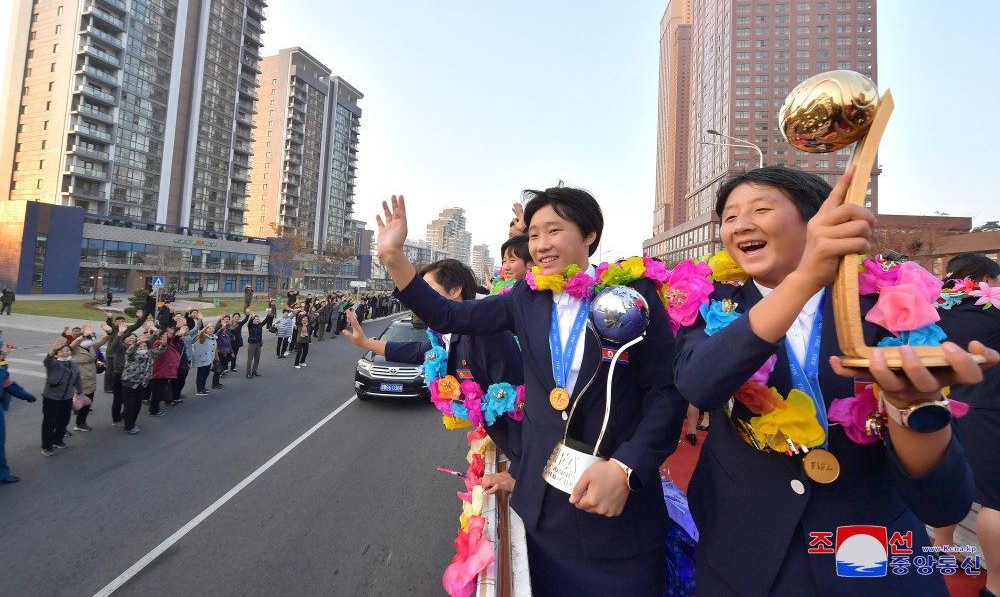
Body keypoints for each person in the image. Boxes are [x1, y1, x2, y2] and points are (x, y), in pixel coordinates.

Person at [673, 166, 994, 595]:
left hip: (871, 555)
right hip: (742, 555)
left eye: (762, 209)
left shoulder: (887, 305)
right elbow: (698, 383)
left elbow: (943, 503)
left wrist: (914, 409)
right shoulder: (711, 302)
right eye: (729, 218)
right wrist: (805, 279)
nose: (741, 225)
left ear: (818, 221)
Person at [375, 186, 685, 596]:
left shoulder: (632, 296)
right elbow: (449, 313)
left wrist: (626, 468)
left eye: (553, 231)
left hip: (618, 508)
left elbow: (665, 392)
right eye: (534, 235)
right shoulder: (524, 298)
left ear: (590, 234)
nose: (540, 245)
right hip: (545, 511)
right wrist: (394, 259)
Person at [345, 259, 524, 477]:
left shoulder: (486, 334)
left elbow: (517, 405)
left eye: (427, 289)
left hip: (527, 455)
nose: (421, 300)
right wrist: (366, 343)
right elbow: (418, 351)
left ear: (455, 290)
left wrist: (518, 474)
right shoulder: (444, 334)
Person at [933, 253, 1000, 597]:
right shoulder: (994, 311)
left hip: (943, 407)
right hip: (988, 409)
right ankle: (995, 585)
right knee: (995, 499)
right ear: (986, 281)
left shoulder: (934, 309)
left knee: (951, 481)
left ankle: (943, 547)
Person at [104, 311, 145, 426]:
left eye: (133, 337)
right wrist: (118, 331)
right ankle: (116, 419)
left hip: (133, 376)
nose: (132, 339)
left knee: (129, 399)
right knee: (118, 399)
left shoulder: (136, 346)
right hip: (120, 374)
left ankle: (125, 416)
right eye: (129, 338)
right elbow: (115, 345)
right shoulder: (120, 345)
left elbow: (137, 326)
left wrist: (140, 318)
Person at [41, 338, 82, 455]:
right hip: (51, 398)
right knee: (49, 422)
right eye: (62, 351)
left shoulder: (74, 363)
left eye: (67, 350)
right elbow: (47, 361)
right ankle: (47, 446)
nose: (65, 352)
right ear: (57, 354)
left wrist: (80, 391)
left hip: (67, 397)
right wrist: (52, 350)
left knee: (64, 420)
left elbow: (78, 377)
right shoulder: (53, 363)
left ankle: (58, 440)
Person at [2, 351, 37, 482]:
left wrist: (26, 396)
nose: (4, 355)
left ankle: (2, 473)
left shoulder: (1, 368)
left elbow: (9, 385)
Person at [69, 324, 110, 432]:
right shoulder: (74, 349)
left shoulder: (91, 347)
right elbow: (73, 344)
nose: (88, 340)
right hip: (79, 381)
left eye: (89, 339)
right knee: (72, 405)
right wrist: (83, 335)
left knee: (88, 403)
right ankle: (61, 427)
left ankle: (81, 423)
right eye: (86, 339)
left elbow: (103, 340)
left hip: (90, 379)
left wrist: (109, 331)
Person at [192, 323, 219, 396]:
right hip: (202, 359)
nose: (211, 329)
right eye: (209, 328)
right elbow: (200, 333)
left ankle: (203, 387)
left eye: (212, 328)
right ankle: (199, 389)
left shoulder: (213, 337)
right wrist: (206, 326)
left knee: (205, 374)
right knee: (201, 375)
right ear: (206, 329)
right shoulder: (202, 336)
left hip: (209, 359)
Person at [244, 309, 263, 378]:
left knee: (257, 358)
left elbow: (266, 320)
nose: (256, 320)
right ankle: (248, 373)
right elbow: (249, 323)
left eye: (257, 319)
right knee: (250, 359)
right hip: (252, 344)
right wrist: (252, 317)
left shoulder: (259, 325)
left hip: (259, 344)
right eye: (255, 319)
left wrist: (269, 315)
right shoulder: (250, 326)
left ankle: (254, 371)